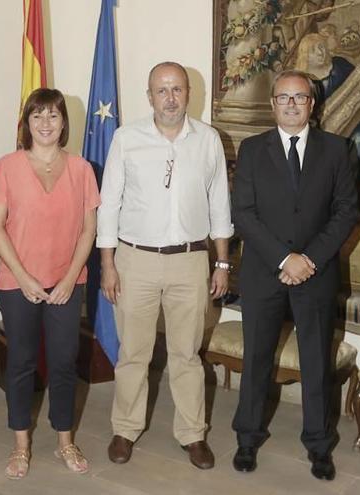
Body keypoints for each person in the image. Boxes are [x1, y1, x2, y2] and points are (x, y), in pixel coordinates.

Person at [98, 61, 234, 470]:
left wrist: (223, 264)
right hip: (134, 260)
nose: (170, 98)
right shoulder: (126, 138)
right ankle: (124, 429)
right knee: (133, 354)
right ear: (150, 96)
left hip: (191, 261)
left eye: (177, 89)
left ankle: (193, 435)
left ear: (188, 93)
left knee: (187, 355)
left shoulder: (208, 140)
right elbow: (109, 204)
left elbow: (220, 205)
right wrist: (108, 263)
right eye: (162, 90)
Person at [230, 69, 360, 479]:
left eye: (299, 98)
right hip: (264, 272)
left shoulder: (338, 150)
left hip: (316, 273)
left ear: (312, 104)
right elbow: (243, 214)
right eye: (283, 98)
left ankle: (319, 445)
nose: (291, 104)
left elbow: (347, 211)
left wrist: (309, 259)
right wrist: (285, 259)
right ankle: (247, 438)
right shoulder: (251, 149)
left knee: (316, 362)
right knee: (256, 359)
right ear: (272, 105)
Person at [0, 88, 99, 479]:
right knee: (21, 362)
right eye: (38, 116)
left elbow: (88, 231)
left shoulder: (82, 169)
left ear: (64, 122)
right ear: (27, 123)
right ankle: (21, 446)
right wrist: (23, 276)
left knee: (65, 362)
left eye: (53, 115)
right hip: (18, 283)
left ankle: (65, 440)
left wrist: (69, 279)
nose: (46, 123)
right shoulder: (8, 166)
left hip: (67, 282)